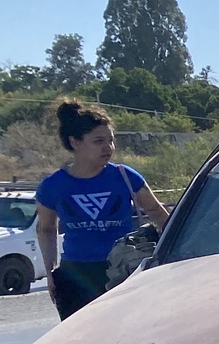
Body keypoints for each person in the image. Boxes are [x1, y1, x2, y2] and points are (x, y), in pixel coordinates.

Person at [34, 99, 169, 319]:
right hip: (76, 274)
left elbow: (157, 212)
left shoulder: (125, 176)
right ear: (75, 142)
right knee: (82, 343)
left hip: (123, 270)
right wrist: (50, 272)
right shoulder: (53, 186)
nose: (108, 148)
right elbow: (46, 229)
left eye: (111, 140)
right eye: (98, 141)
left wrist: (173, 250)